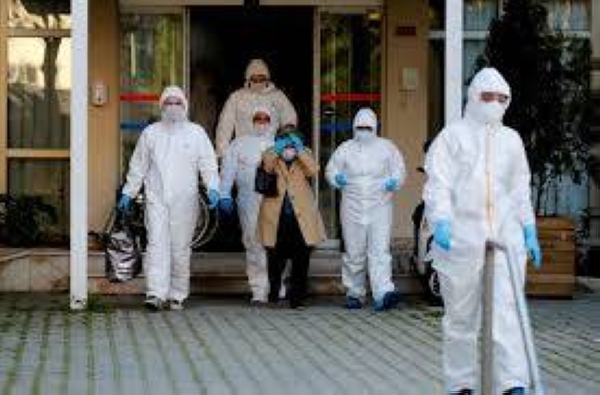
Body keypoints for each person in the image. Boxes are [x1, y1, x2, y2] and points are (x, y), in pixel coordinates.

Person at [423, 68, 542, 395]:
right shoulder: (453, 136)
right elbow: (438, 185)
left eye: (502, 98)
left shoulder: (511, 140)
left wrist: (529, 229)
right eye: (487, 96)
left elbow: (520, 189)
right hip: (461, 240)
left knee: (507, 315)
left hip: (505, 240)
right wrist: (442, 222)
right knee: (461, 319)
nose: (494, 103)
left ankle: (511, 383)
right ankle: (460, 384)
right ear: (473, 97)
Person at [118, 85, 220, 311]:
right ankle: (155, 293)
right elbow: (138, 166)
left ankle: (177, 294)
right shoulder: (151, 133)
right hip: (157, 199)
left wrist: (213, 188)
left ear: (184, 105)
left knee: (180, 247)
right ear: (161, 106)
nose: (173, 107)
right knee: (156, 245)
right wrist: (129, 192)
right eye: (168, 103)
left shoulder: (196, 133)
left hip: (186, 200)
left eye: (177, 103)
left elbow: (208, 164)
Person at [325, 107, 406, 311]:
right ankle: (355, 293)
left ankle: (383, 293)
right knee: (354, 251)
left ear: (375, 127)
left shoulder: (387, 147)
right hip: (352, 205)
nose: (364, 131)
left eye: (367, 127)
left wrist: (394, 181)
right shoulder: (345, 148)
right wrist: (336, 178)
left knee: (379, 251)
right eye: (360, 127)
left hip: (380, 205)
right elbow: (331, 168)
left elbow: (399, 169)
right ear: (354, 127)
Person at [257, 129, 326, 309]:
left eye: (291, 141)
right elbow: (266, 165)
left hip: (300, 218)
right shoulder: (271, 153)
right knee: (274, 259)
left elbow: (313, 169)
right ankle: (273, 293)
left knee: (301, 259)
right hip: (276, 217)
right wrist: (277, 148)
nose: (287, 146)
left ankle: (297, 299)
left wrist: (299, 149)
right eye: (283, 141)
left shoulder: (305, 154)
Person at [219, 106, 276, 304]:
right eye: (258, 118)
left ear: (271, 121)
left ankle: (277, 286)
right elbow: (228, 170)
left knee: (274, 243)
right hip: (248, 200)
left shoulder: (277, 143)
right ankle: (259, 289)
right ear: (251, 121)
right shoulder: (239, 144)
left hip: (274, 201)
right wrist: (224, 193)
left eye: (265, 118)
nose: (261, 122)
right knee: (253, 242)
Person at [215, 58, 297, 157]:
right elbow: (225, 125)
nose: (258, 82)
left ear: (267, 78)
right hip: (243, 153)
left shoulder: (278, 97)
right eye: (254, 79)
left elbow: (289, 120)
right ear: (248, 78)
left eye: (261, 78)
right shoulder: (237, 97)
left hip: (270, 153)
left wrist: (284, 148)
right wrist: (222, 152)